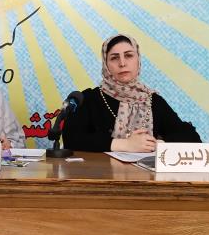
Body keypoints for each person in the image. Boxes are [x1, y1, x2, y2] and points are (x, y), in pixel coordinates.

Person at [61, 34, 200, 152]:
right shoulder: (89, 99)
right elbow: (71, 139)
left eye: (128, 55)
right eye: (114, 58)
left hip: (145, 175)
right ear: (105, 64)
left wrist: (156, 145)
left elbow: (192, 137)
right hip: (102, 174)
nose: (122, 63)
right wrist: (125, 145)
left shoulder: (152, 100)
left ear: (138, 60)